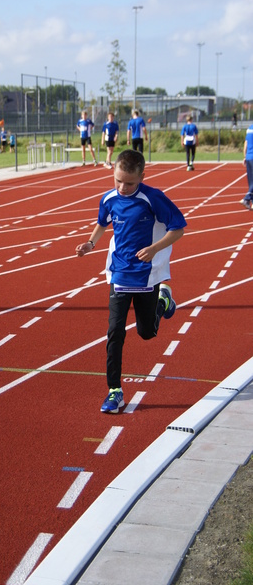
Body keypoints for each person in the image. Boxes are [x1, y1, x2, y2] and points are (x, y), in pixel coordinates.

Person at [76, 149, 187, 414]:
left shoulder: (153, 198)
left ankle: (163, 300)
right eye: (118, 181)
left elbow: (178, 228)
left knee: (146, 332)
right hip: (119, 274)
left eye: (129, 182)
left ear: (142, 177)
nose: (122, 187)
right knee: (115, 332)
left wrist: (154, 248)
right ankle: (114, 391)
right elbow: (102, 223)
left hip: (146, 275)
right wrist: (90, 243)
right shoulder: (109, 198)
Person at [242, 123, 253, 210]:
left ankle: (252, 202)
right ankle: (246, 198)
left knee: (251, 181)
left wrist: (245, 156)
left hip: (248, 157)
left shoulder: (249, 129)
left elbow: (245, 144)